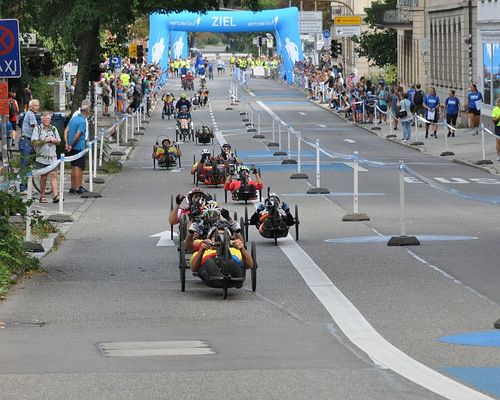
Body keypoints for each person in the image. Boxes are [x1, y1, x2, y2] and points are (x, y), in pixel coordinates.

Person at [189, 218, 253, 289]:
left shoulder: (235, 248)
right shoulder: (204, 245)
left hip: (232, 268)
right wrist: (201, 250)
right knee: (209, 262)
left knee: (231, 263)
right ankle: (217, 277)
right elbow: (193, 268)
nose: (220, 238)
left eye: (223, 235)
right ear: (210, 237)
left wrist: (242, 249)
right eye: (216, 236)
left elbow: (250, 265)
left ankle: (233, 275)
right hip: (210, 275)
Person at [31, 112, 61, 203]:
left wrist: (54, 140)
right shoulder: (38, 129)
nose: (48, 120)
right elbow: (34, 142)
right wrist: (45, 141)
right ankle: (42, 195)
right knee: (43, 177)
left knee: (54, 175)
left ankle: (55, 195)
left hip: (52, 157)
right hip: (41, 157)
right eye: (46, 118)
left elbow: (59, 141)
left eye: (49, 118)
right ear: (42, 119)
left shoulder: (53, 128)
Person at [65, 102, 90, 194]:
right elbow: (78, 135)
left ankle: (72, 186)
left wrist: (67, 143)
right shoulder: (83, 121)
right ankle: (78, 187)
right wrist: (72, 144)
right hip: (79, 147)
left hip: (71, 147)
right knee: (78, 167)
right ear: (87, 112)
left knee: (73, 167)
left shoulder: (73, 119)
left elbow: (66, 131)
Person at [19, 99, 40, 193]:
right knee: (24, 165)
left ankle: (26, 187)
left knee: (27, 165)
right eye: (35, 105)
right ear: (30, 106)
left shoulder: (30, 114)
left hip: (27, 141)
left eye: (38, 105)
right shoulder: (30, 114)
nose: (37, 107)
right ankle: (23, 188)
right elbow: (35, 127)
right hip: (26, 142)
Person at [492, 96, 500, 161]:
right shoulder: (495, 109)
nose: (499, 103)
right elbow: (493, 119)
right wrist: (498, 117)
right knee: (498, 141)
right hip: (498, 127)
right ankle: (498, 155)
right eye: (498, 102)